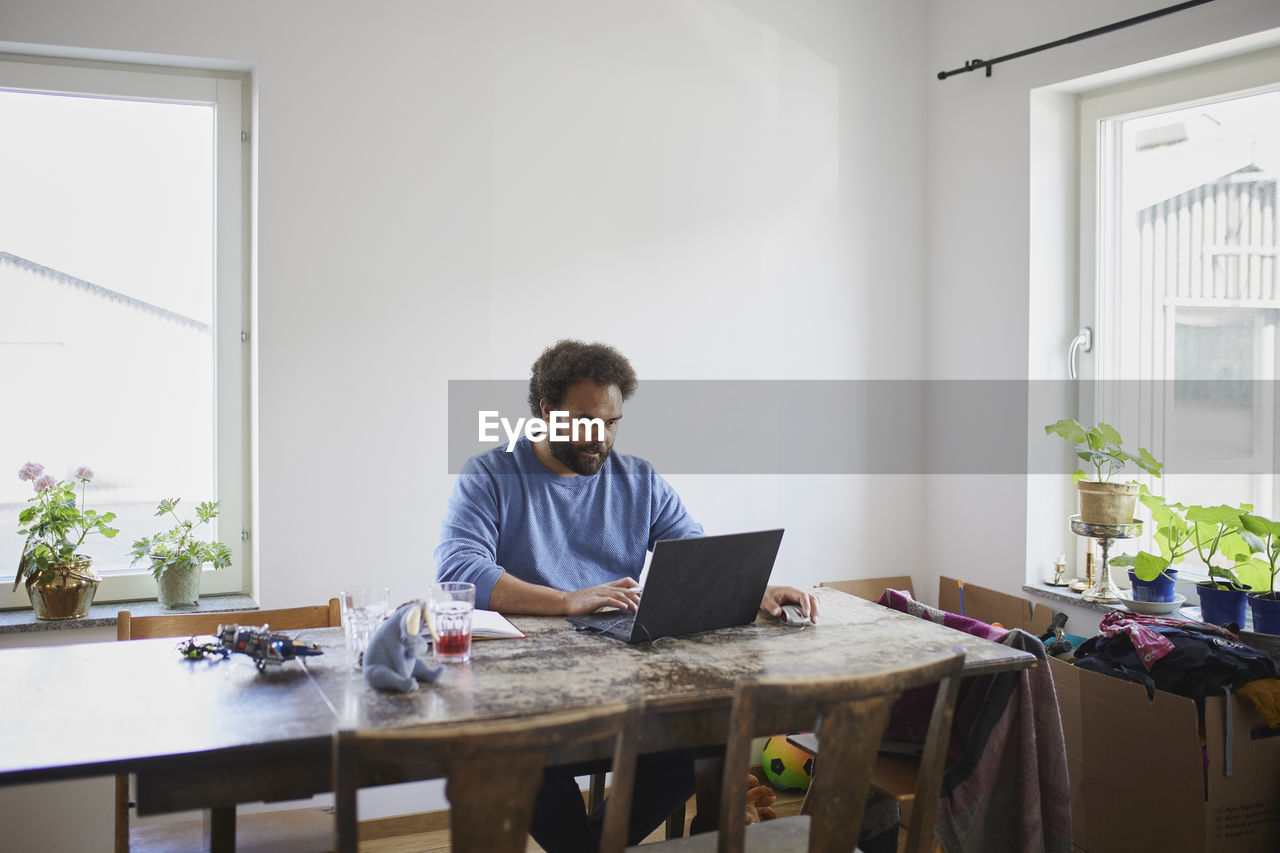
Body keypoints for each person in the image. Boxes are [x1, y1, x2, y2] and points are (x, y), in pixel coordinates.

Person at [435, 339, 817, 852]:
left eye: (613, 422)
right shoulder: (491, 474)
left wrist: (755, 590)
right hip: (528, 696)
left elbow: (692, 553)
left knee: (704, 737)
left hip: (625, 687)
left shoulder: (637, 478)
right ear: (547, 412)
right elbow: (460, 570)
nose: (603, 438)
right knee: (511, 759)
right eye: (590, 421)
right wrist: (568, 599)